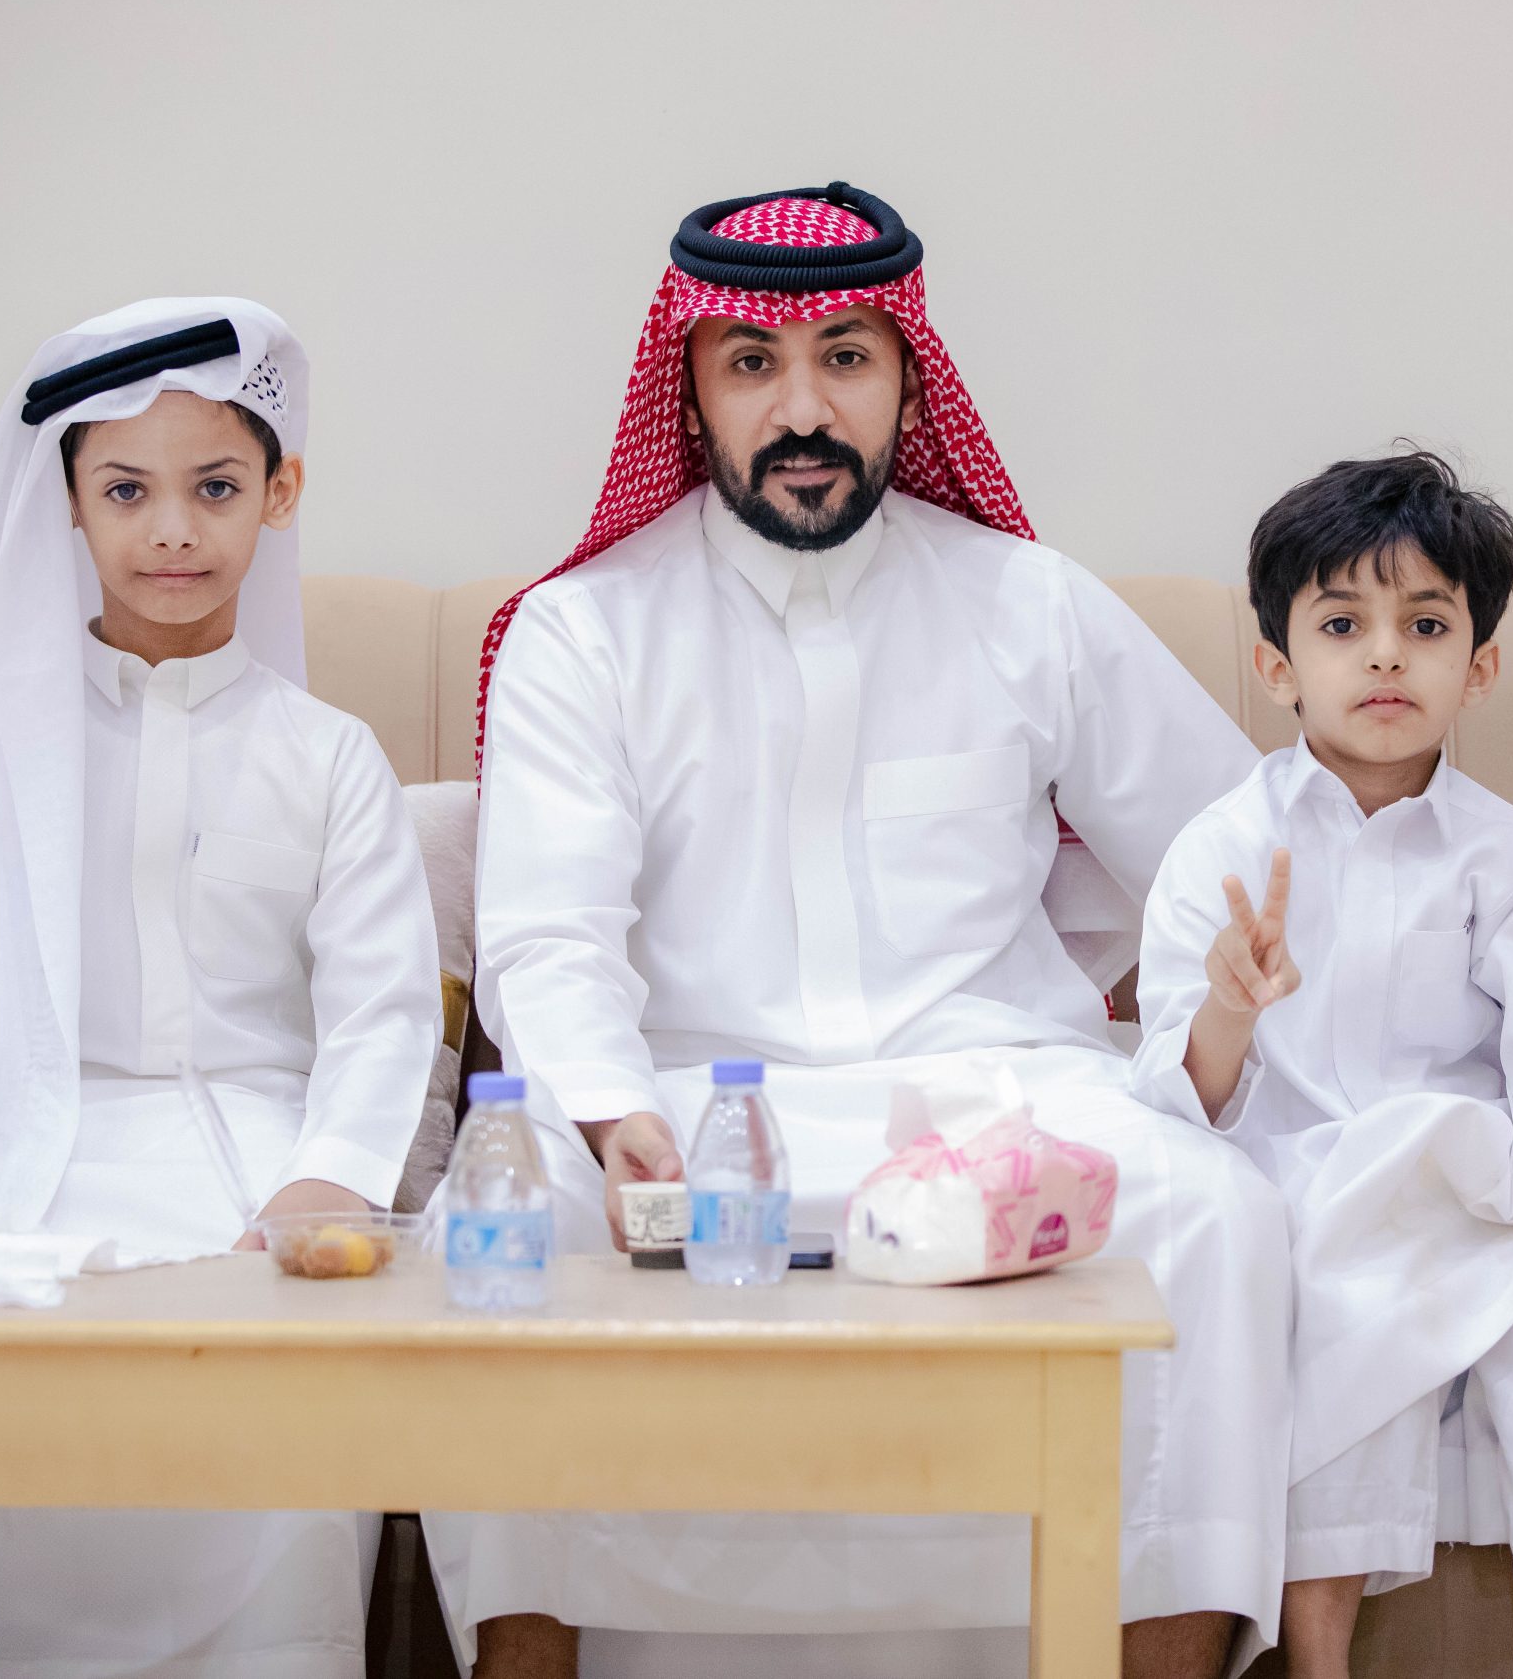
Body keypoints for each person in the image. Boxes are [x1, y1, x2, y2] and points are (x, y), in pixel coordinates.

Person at [431, 180, 1297, 1679]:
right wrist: (612, 1113)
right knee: (505, 1227)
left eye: (845, 357)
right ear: (690, 392)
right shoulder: (587, 630)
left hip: (998, 1100)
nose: (803, 408)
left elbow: (1236, 858)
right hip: (688, 1103)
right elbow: (548, 933)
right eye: (752, 365)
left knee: (1214, 1213)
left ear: (908, 378)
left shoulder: (1027, 604)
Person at [0, 299, 441, 1678]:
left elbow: (381, 1014)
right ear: (67, 501)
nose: (172, 530)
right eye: (126, 490)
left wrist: (325, 1183)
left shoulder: (328, 755)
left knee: (267, 1416)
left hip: (244, 1170)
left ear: (280, 494)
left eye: (215, 487)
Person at [1130, 452, 1513, 1679]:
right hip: (1295, 1187)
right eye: (1341, 625)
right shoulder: (1220, 847)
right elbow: (1175, 1091)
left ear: (1477, 669)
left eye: (1424, 625)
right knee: (1345, 1290)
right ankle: (1315, 1657)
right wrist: (1229, 1008)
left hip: (1468, 1186)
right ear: (1277, 667)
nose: (1384, 656)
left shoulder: (1511, 856)